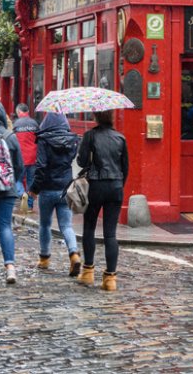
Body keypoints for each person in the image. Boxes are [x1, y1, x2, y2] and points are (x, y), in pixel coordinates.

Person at [77, 110, 129, 291]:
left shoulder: (90, 136)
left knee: (89, 228)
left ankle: (88, 272)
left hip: (96, 186)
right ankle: (110, 279)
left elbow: (82, 162)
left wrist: (84, 150)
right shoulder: (120, 138)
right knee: (110, 234)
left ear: (96, 117)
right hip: (115, 187)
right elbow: (125, 167)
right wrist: (118, 185)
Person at [30, 113, 81, 276]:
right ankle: (74, 254)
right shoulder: (72, 140)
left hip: (47, 189)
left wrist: (34, 189)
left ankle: (44, 259)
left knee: (45, 224)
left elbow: (41, 166)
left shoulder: (44, 141)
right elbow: (72, 160)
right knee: (66, 225)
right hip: (65, 188)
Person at [0, 102, 24, 284]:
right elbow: (19, 166)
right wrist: (12, 182)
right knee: (5, 226)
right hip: (7, 190)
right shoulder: (10, 136)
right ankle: (11, 268)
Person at [13, 103, 39, 213]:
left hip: (21, 157)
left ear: (19, 112)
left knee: (17, 179)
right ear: (27, 111)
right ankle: (29, 206)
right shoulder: (34, 123)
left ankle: (22, 193)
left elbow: (13, 141)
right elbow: (39, 139)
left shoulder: (16, 124)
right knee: (31, 181)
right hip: (33, 157)